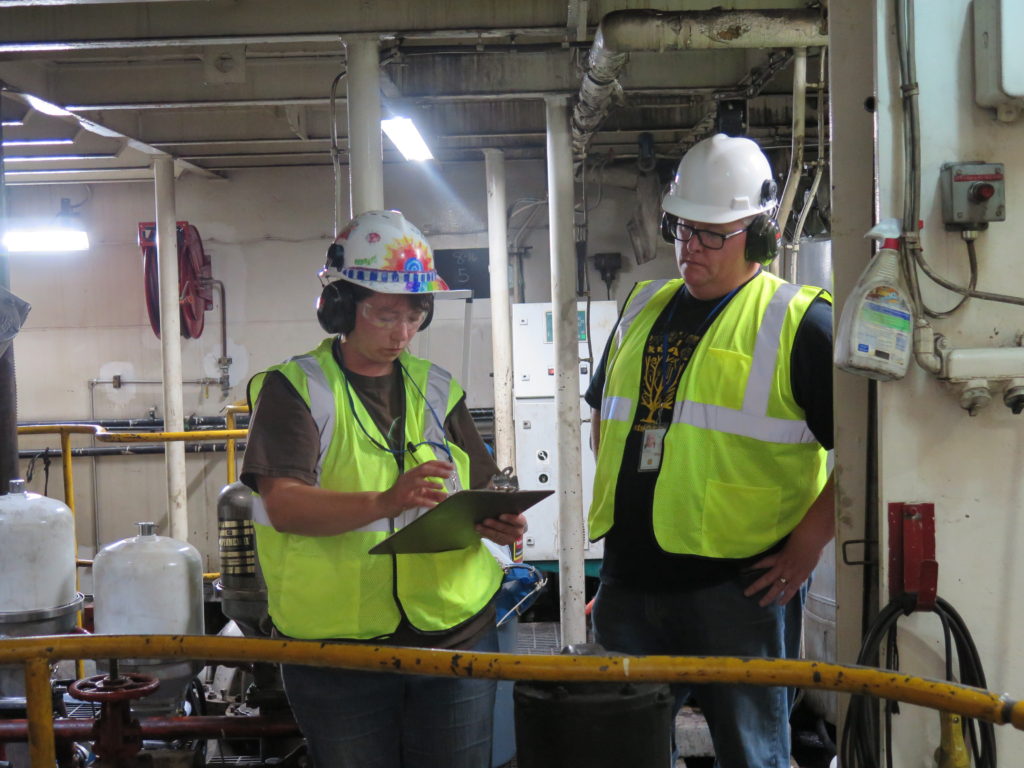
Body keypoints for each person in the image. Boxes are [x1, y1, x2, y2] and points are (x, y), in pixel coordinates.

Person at [240, 209, 526, 768]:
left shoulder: (437, 387)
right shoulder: (295, 389)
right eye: (385, 314)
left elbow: (485, 481)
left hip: (455, 633)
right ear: (342, 307)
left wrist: (502, 516)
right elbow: (284, 504)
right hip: (339, 648)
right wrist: (385, 501)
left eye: (415, 315)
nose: (402, 333)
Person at [585, 134, 834, 768]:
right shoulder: (641, 305)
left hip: (738, 592)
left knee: (752, 751)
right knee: (624, 752)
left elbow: (869, 454)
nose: (688, 247)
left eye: (710, 233)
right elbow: (606, 419)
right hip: (631, 583)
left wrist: (807, 546)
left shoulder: (799, 321)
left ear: (758, 234)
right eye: (681, 228)